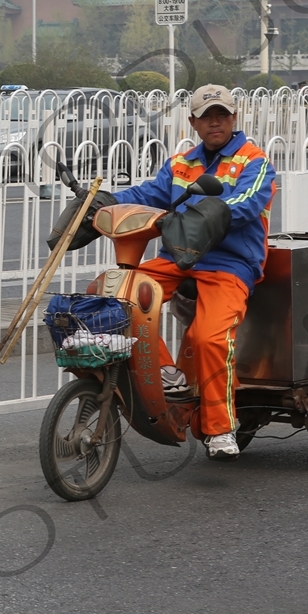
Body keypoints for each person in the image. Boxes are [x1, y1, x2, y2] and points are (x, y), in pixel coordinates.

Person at [92, 84, 275, 461]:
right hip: (179, 258)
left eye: (222, 115)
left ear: (234, 117)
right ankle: (166, 373)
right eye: (207, 116)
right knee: (116, 293)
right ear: (193, 122)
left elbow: (247, 201)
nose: (215, 123)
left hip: (230, 264)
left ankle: (221, 429)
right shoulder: (182, 163)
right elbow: (148, 195)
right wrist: (105, 201)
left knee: (211, 339)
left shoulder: (254, 160)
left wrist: (209, 213)